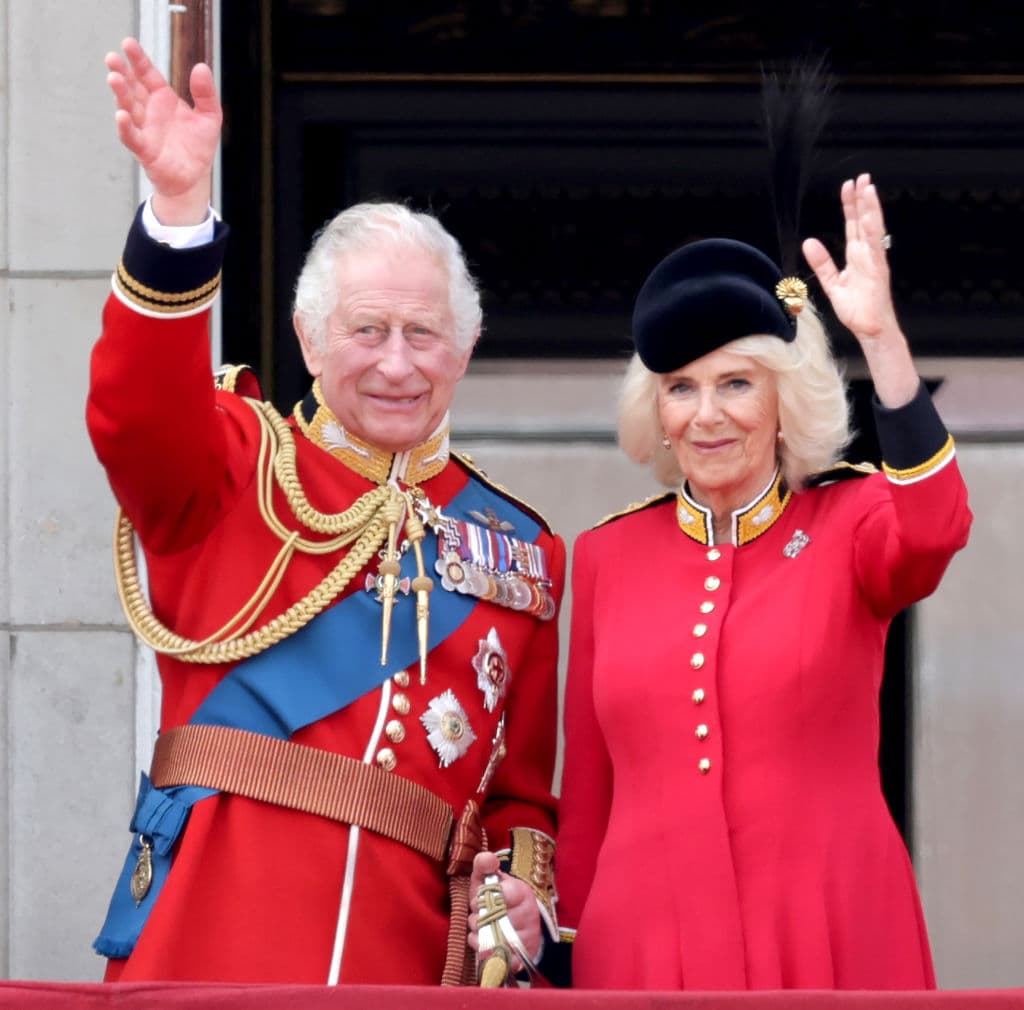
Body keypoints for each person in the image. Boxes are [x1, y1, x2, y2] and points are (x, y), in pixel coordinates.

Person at [88, 38, 564, 985]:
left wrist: (526, 904)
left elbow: (520, 799)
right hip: (209, 945)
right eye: (367, 330)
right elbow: (136, 412)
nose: (397, 363)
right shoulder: (233, 463)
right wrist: (177, 213)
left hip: (403, 964)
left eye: (424, 333)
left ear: (463, 352)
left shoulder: (521, 550)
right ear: (309, 337)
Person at [470, 174, 972, 989]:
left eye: (736, 383)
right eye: (681, 389)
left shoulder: (849, 523)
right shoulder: (604, 557)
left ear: (785, 399)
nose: (706, 416)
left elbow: (937, 525)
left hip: (830, 921)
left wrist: (882, 342)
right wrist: (568, 947)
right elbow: (590, 794)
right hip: (644, 941)